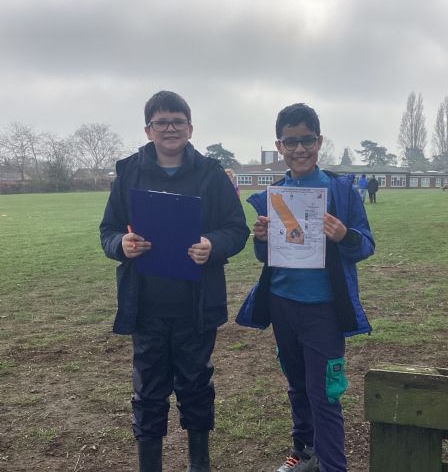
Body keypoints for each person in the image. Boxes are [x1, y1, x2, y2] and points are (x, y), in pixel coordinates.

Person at [99, 90, 249, 472]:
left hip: (195, 307)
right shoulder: (129, 173)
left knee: (196, 386)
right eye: (161, 122)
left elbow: (237, 229)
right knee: (148, 392)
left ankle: (199, 464)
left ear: (190, 128)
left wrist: (212, 245)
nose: (170, 128)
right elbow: (108, 230)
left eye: (177, 121)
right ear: (148, 130)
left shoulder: (211, 174)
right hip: (146, 306)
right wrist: (121, 245)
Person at [237, 103, 375, 472]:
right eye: (291, 142)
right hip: (283, 304)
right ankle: (304, 452)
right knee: (297, 385)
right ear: (279, 146)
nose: (300, 149)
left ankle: (332, 466)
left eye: (307, 141)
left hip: (324, 309)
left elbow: (366, 245)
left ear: (319, 141)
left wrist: (344, 235)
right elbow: (266, 256)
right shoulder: (275, 194)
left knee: (324, 393)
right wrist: (261, 239)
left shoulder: (340, 191)